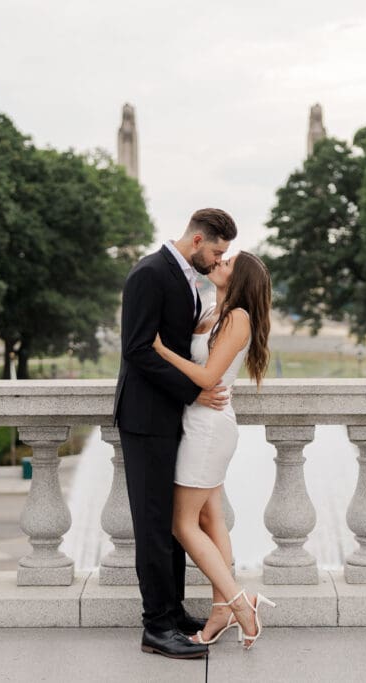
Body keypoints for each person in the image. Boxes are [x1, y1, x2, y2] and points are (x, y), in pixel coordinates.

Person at [113, 208, 236, 659]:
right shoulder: (149, 273)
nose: (218, 260)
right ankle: (156, 626)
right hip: (146, 418)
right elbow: (138, 348)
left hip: (170, 417)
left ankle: (174, 613)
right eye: (217, 252)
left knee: (169, 523)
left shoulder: (187, 278)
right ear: (198, 240)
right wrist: (193, 391)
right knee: (152, 526)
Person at [151, 250, 276, 650]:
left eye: (228, 263)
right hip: (198, 422)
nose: (219, 263)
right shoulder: (211, 310)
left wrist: (162, 351)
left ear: (239, 280)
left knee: (182, 524)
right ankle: (222, 609)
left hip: (208, 430)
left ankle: (239, 603)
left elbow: (208, 377)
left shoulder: (238, 318)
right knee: (210, 518)